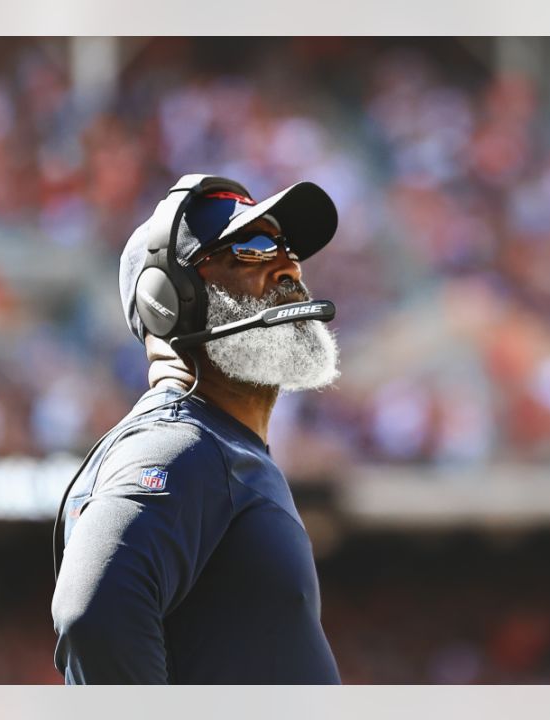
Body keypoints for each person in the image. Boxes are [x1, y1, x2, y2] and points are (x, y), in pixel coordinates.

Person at [50, 174, 343, 684]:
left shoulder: (220, 445)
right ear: (171, 296)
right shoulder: (177, 445)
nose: (289, 267)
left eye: (287, 249)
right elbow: (92, 612)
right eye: (253, 249)